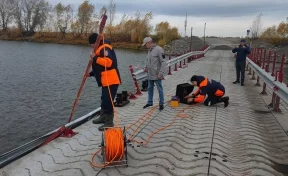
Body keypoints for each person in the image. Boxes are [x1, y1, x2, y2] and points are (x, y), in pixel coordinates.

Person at [87, 33, 121, 131]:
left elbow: (108, 63)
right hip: (106, 80)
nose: (91, 46)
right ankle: (103, 117)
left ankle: (109, 122)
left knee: (108, 101)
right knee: (103, 99)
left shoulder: (105, 48)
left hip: (111, 80)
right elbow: (100, 68)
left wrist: (95, 58)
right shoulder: (99, 49)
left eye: (92, 44)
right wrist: (91, 74)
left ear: (96, 42)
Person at [142, 37, 166, 110]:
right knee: (150, 88)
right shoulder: (149, 50)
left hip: (157, 74)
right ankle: (150, 102)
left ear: (149, 43)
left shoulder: (159, 50)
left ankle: (161, 103)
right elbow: (148, 61)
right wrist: (146, 67)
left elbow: (163, 62)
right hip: (150, 74)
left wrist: (160, 73)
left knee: (159, 89)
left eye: (145, 44)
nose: (145, 46)